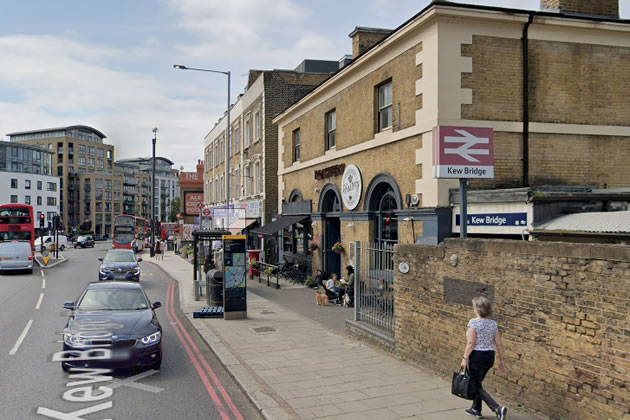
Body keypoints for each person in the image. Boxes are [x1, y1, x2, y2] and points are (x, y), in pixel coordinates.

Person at [461, 297, 508, 420]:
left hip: (477, 356)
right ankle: (476, 409)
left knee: (475, 385)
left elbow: (471, 342)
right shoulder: (493, 324)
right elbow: (499, 343)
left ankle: (497, 408)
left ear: (477, 309)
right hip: (489, 356)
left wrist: (465, 358)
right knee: (477, 382)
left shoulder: (473, 323)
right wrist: (501, 360)